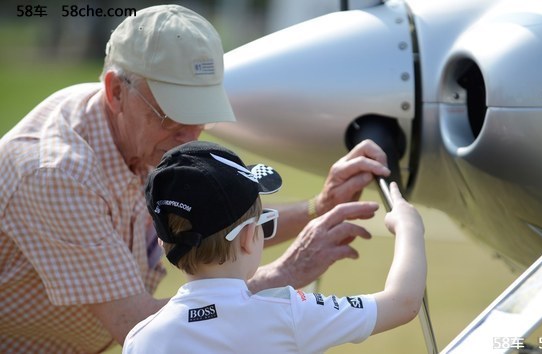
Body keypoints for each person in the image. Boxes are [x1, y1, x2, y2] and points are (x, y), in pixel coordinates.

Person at [0, 4, 390, 353]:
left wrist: (316, 207)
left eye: (200, 112)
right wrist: (284, 275)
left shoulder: (128, 126)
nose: (188, 136)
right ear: (116, 91)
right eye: (171, 113)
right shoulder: (56, 174)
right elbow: (139, 324)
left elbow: (220, 227)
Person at [122, 141, 426, 354]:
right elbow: (402, 302)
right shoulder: (288, 314)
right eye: (263, 223)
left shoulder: (141, 339)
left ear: (164, 242)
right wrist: (409, 226)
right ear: (247, 238)